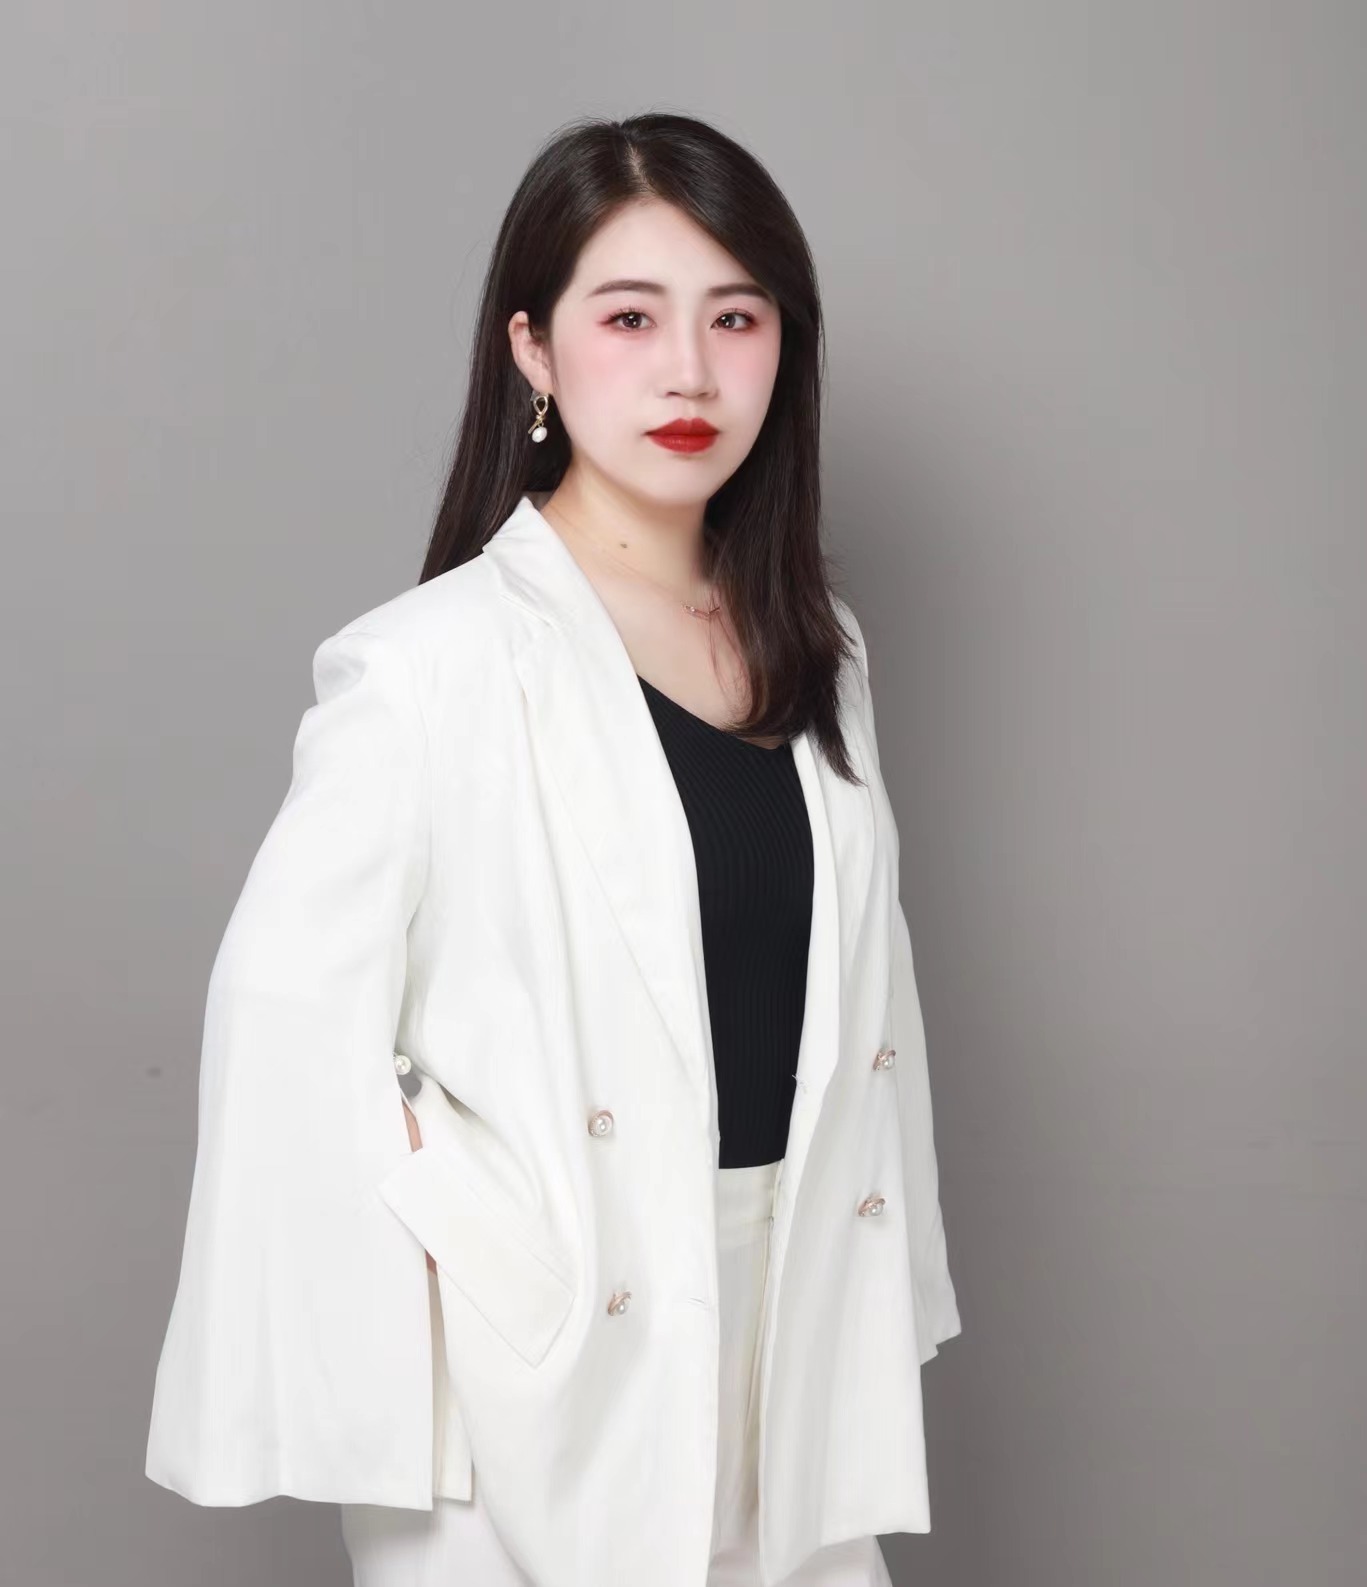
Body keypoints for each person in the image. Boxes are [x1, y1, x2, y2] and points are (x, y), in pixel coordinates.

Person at [144, 111, 961, 1587]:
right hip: (537, 1363)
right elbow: (282, 1017)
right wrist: (475, 1261)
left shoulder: (821, 652)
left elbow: (866, 997)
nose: (690, 371)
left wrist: (883, 1283)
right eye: (630, 317)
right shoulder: (431, 664)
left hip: (794, 1330)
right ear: (532, 348)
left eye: (736, 318)